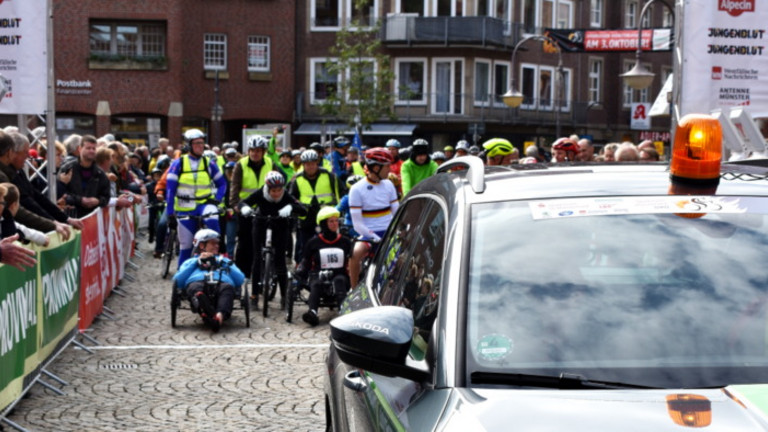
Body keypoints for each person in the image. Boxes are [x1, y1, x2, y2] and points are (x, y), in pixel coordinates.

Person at [240, 171, 307, 307]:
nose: (276, 193)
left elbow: (303, 210)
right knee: (257, 258)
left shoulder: (286, 195)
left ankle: (283, 296)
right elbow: (243, 203)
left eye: (279, 190)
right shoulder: (260, 193)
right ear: (268, 188)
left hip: (279, 226)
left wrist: (290, 207)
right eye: (273, 191)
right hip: (261, 224)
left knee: (280, 261)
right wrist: (245, 209)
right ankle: (254, 296)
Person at [165, 129, 227, 266]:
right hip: (184, 208)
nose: (201, 146)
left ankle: (220, 250)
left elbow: (222, 184)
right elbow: (170, 190)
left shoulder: (209, 163)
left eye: (202, 143)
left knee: (212, 219)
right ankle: (182, 280)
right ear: (188, 145)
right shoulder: (177, 164)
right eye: (197, 143)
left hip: (205, 204)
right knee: (186, 246)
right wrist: (170, 213)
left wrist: (217, 198)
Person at [0, 131, 74, 240]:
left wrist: (63, 219)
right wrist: (52, 224)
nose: (28, 157)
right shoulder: (4, 176)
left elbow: (35, 196)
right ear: (11, 152)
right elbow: (18, 209)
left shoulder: (17, 171)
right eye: (25, 152)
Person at [173, 228, 245, 332]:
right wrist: (197, 262)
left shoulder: (224, 260)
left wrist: (222, 263)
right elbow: (178, 281)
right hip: (198, 282)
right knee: (196, 289)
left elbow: (240, 279)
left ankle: (217, 316)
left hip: (221, 282)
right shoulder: (190, 261)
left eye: (217, 243)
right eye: (213, 243)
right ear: (202, 245)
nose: (217, 246)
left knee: (227, 289)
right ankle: (213, 315)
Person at [348, 148, 399, 287]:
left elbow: (397, 213)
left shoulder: (389, 185)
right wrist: (375, 238)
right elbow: (357, 225)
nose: (390, 169)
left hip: (388, 231)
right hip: (368, 234)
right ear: (376, 167)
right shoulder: (357, 189)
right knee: (355, 254)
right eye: (387, 166)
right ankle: (353, 290)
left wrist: (400, 230)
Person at [229, 134, 277, 281]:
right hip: (246, 208)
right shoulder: (241, 164)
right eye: (252, 150)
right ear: (248, 151)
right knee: (245, 241)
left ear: (263, 151)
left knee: (268, 240)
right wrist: (236, 205)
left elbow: (280, 183)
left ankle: (266, 270)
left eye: (258, 150)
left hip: (266, 207)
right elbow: (235, 187)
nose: (255, 153)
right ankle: (242, 273)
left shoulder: (270, 163)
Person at [295, 207, 353, 326]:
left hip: (340, 275)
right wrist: (300, 276)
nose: (334, 224)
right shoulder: (313, 242)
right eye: (331, 221)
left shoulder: (345, 242)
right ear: (324, 224)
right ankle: (312, 313)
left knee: (339, 281)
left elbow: (351, 262)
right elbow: (305, 262)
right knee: (316, 284)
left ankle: (344, 313)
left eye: (336, 221)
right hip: (319, 275)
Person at [289, 149, 339, 264]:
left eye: (312, 163)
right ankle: (303, 273)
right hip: (306, 218)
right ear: (303, 165)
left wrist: (338, 211)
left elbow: (340, 193)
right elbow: (292, 197)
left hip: (326, 217)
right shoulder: (297, 179)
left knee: (328, 246)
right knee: (305, 247)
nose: (310, 166)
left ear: (317, 163)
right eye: (307, 164)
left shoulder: (329, 175)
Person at [59, 134, 115, 218]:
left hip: (93, 217)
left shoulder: (100, 173)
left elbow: (106, 196)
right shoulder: (68, 169)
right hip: (71, 216)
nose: (91, 151)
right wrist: (80, 200)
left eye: (94, 148)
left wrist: (98, 201)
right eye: (88, 148)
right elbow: (61, 192)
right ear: (80, 149)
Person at [0, 183, 49, 247]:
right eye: (2, 203)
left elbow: (22, 229)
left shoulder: (5, 219)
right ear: (14, 205)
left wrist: (41, 238)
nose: (3, 206)